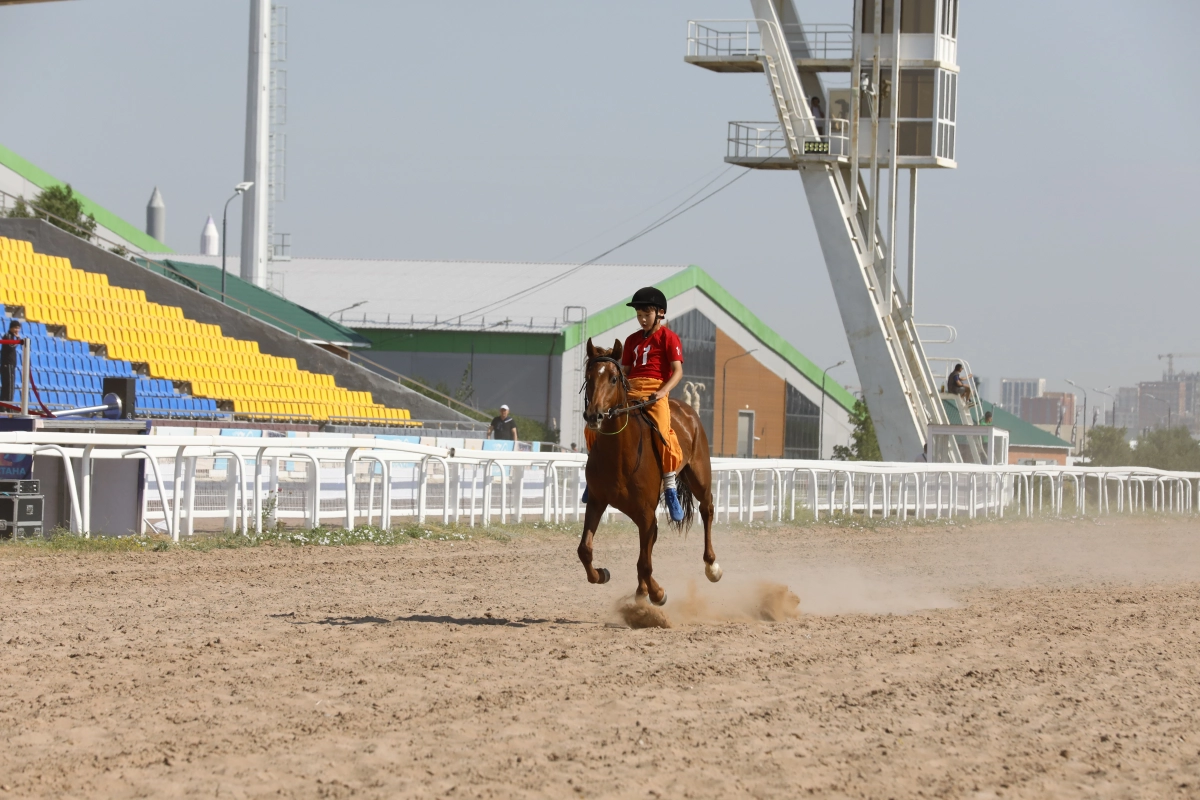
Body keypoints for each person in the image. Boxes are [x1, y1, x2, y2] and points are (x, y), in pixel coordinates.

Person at [584, 287, 686, 521]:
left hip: (655, 392)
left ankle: (670, 487)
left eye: (646, 315)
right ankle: (595, 480)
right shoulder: (630, 340)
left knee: (663, 432)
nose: (641, 319)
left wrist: (662, 392)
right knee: (593, 428)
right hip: (631, 390)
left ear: (659, 313)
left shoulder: (669, 338)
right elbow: (626, 372)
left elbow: (678, 371)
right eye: (639, 315)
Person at [1, 320, 20, 404]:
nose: (17, 330)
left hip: (10, 364)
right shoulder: (8, 336)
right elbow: (11, 346)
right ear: (11, 328)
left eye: (18, 328)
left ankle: (5, 406)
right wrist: (18, 340)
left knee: (8, 386)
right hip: (7, 364)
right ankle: (8, 406)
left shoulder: (11, 336)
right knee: (9, 387)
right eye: (15, 328)